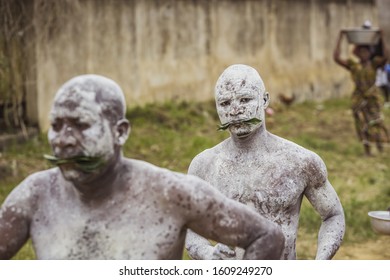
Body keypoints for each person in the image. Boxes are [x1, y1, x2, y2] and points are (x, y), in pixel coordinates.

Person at [0, 74, 285, 260]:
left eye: (81, 125)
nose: (63, 141)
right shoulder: (35, 196)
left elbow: (266, 236)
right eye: (56, 126)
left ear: (120, 132)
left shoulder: (171, 194)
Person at [185, 64, 345, 260]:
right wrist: (207, 254)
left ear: (265, 100)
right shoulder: (204, 166)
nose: (235, 111)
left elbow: (332, 215)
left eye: (245, 99)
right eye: (225, 103)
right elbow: (188, 227)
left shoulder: (299, 161)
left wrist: (319, 264)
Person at [333, 29, 389, 156]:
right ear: (358, 53)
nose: (363, 54)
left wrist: (382, 37)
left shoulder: (374, 64)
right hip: (359, 98)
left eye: (366, 51)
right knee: (361, 123)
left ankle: (380, 146)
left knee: (376, 121)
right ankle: (367, 150)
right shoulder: (353, 65)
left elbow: (386, 56)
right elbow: (336, 58)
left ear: (370, 53)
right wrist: (340, 37)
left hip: (373, 97)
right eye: (361, 51)